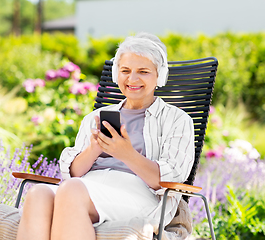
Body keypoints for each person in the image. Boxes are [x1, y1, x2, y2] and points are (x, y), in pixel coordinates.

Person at [16, 32, 195, 240]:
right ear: (116, 74)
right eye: (125, 70)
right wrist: (94, 149)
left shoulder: (177, 120)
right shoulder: (96, 117)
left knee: (72, 190)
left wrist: (126, 153)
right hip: (87, 186)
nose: (132, 79)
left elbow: (170, 179)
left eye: (143, 72)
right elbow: (72, 172)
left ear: (159, 76)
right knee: (38, 194)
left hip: (139, 195)